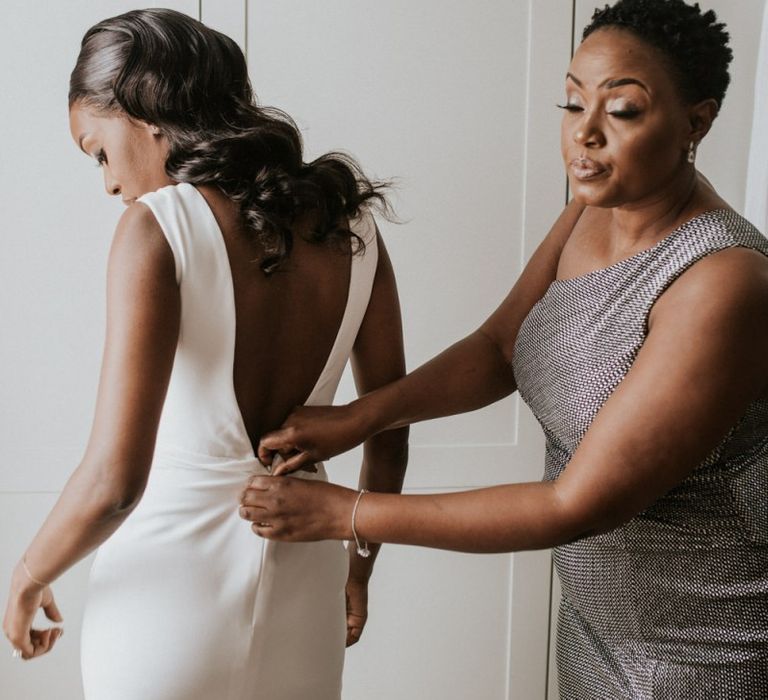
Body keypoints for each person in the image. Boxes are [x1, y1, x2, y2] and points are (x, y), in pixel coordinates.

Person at [241, 1, 768, 696]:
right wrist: (363, 416)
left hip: (703, 649)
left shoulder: (725, 283)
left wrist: (347, 513)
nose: (584, 135)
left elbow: (574, 505)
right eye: (572, 101)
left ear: (696, 121)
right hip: (597, 628)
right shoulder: (591, 207)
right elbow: (500, 347)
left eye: (624, 112)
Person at [1, 9, 411, 700]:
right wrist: (358, 571)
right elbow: (388, 430)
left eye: (98, 149)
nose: (107, 183)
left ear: (144, 112)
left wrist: (27, 577)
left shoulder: (157, 227)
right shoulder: (352, 229)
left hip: (165, 607)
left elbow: (115, 481)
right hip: (306, 589)